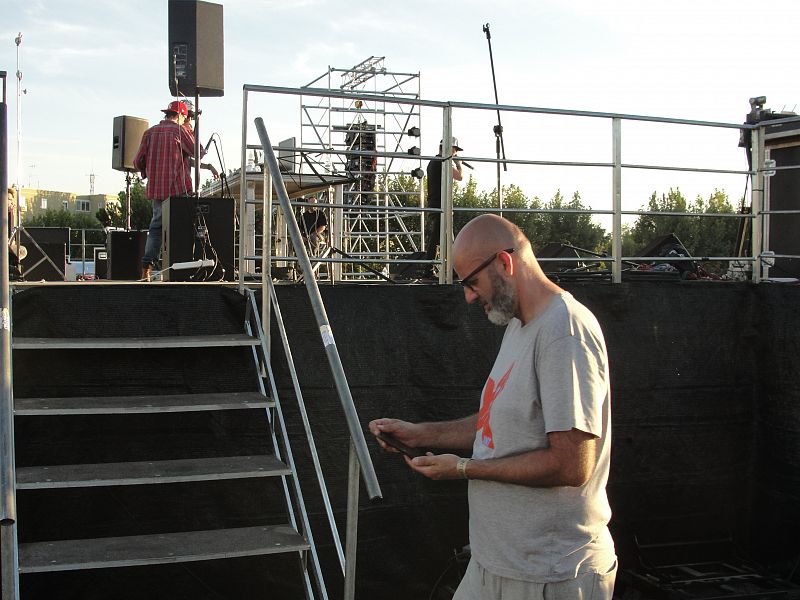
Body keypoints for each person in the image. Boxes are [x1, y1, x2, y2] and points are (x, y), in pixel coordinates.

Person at [369, 214, 617, 599]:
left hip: (548, 575)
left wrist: (465, 469)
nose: (468, 297)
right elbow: (498, 422)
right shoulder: (520, 327)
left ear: (505, 263)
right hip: (498, 565)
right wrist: (422, 433)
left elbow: (572, 463)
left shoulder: (564, 331)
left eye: (471, 283)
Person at [133, 100, 198, 280]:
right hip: (179, 189)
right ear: (181, 115)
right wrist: (190, 131)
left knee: (156, 228)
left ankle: (147, 266)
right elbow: (198, 151)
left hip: (157, 190)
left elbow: (137, 161)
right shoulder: (180, 131)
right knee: (183, 228)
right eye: (186, 116)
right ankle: (181, 268)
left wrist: (148, 173)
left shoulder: (149, 132)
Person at [422, 137, 464, 278]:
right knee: (437, 238)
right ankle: (430, 269)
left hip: (436, 203)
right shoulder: (442, 162)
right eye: (455, 150)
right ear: (449, 148)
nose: (456, 153)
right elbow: (460, 177)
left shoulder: (434, 161)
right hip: (440, 205)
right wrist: (459, 165)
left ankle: (453, 269)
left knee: (444, 238)